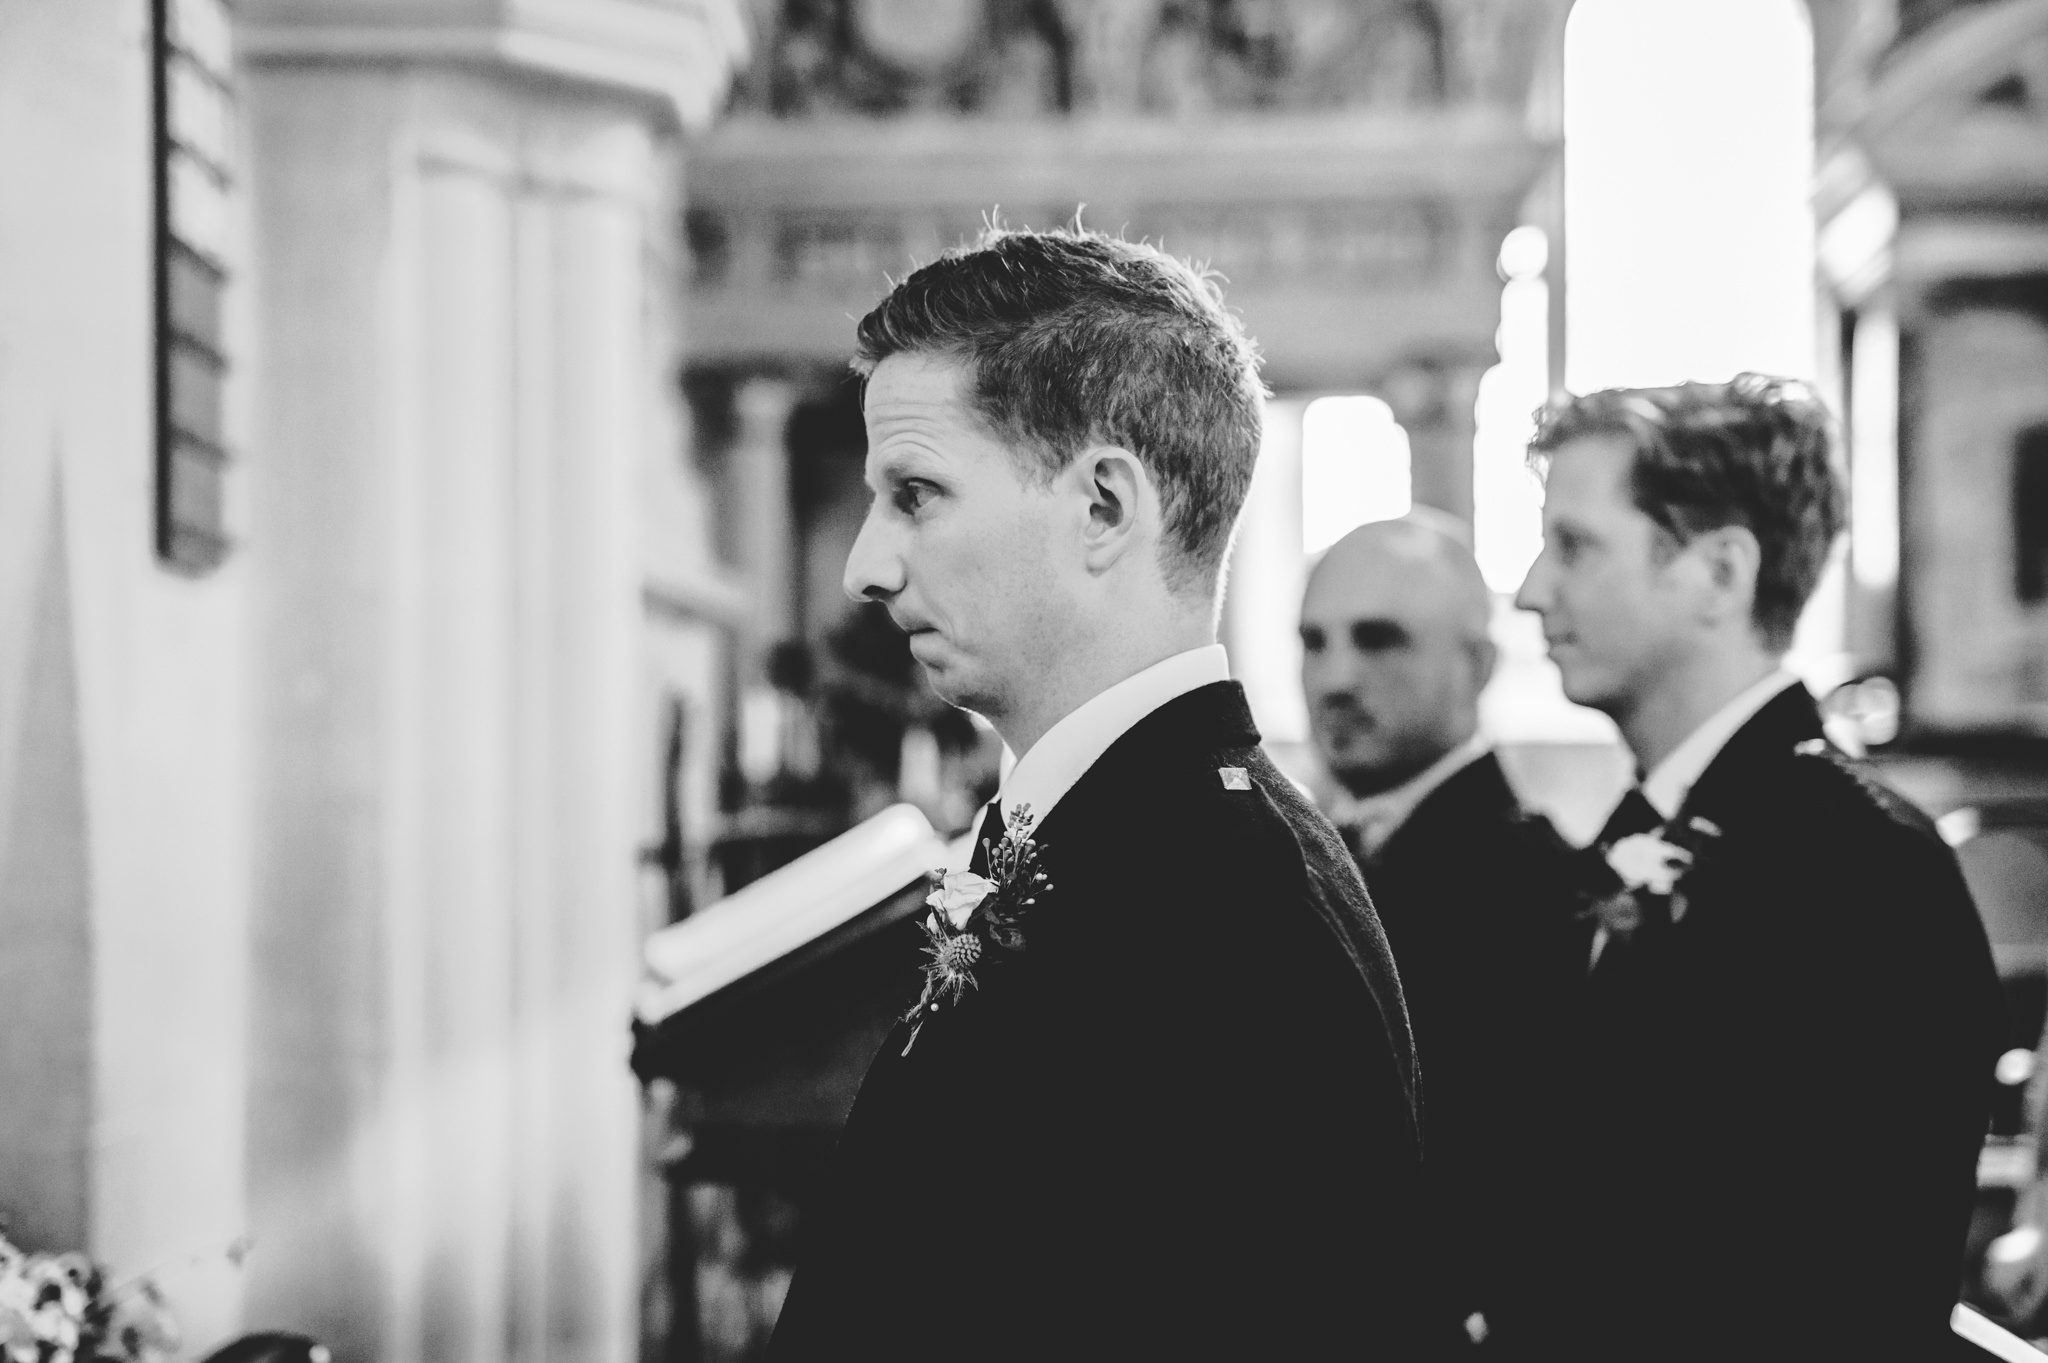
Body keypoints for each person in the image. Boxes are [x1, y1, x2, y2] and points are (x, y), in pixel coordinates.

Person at [768, 227, 1441, 1359]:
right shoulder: (1134, 838)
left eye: (917, 494)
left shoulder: (1224, 907)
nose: (865, 568)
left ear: (1101, 508)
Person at [1503, 373, 2003, 1360]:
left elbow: (1839, 1289)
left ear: (1720, 573)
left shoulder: (1861, 871)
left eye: (1574, 545)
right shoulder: (1642, 828)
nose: (1528, 591)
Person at [1298, 512, 1584, 1347]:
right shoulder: (1318, 850)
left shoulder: (1536, 887)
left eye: (1380, 639)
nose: (1335, 677)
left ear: (1479, 664)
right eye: (1313, 641)